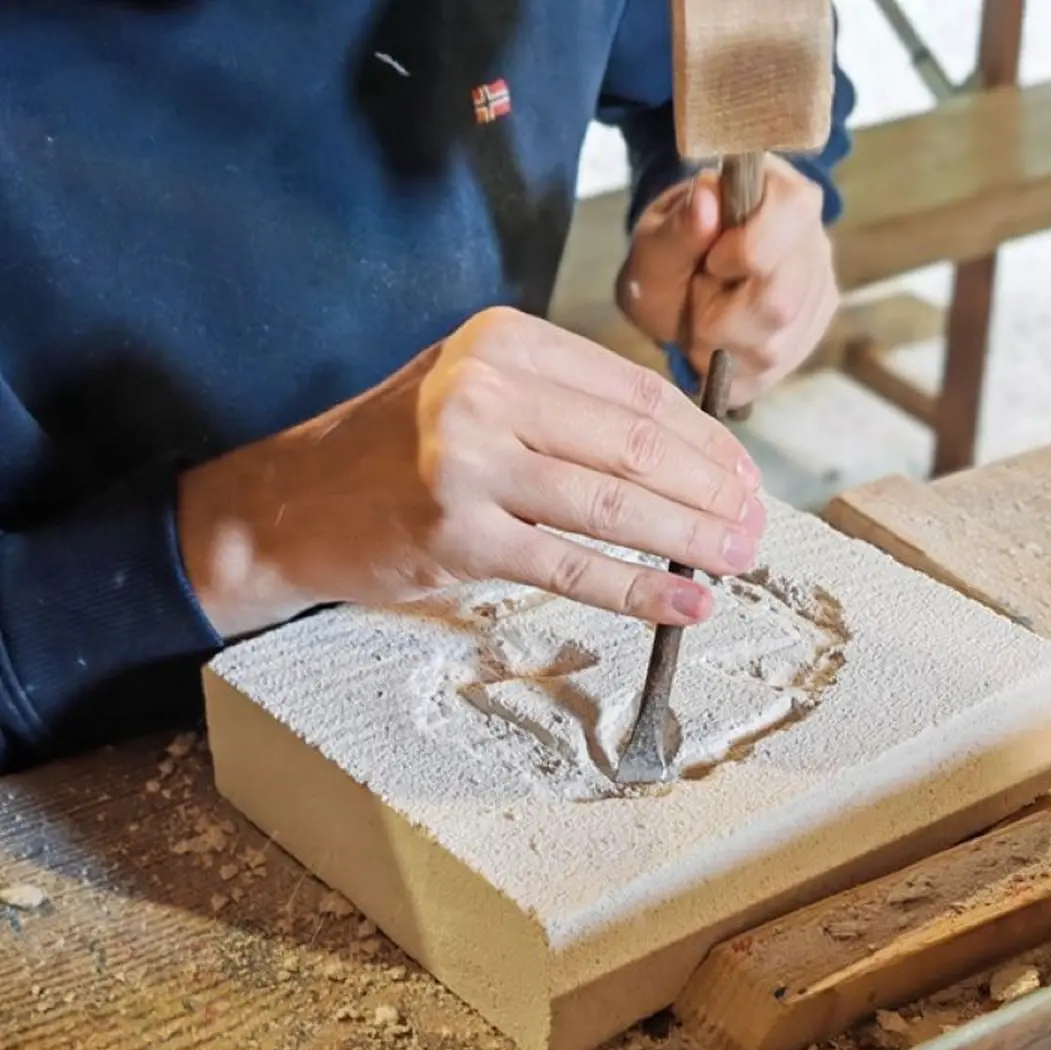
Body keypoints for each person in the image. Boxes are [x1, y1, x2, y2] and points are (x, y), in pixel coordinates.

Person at [0, 3, 855, 773]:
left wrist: (748, 226)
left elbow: (744, 33)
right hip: (90, 737)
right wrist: (253, 535)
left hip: (465, 615)